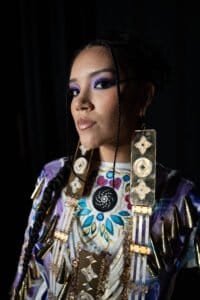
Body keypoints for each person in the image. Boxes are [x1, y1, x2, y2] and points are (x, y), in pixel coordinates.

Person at [11, 32, 200, 300]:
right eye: (74, 90)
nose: (80, 102)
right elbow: (27, 281)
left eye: (101, 84)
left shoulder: (181, 199)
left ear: (144, 97)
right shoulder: (53, 178)